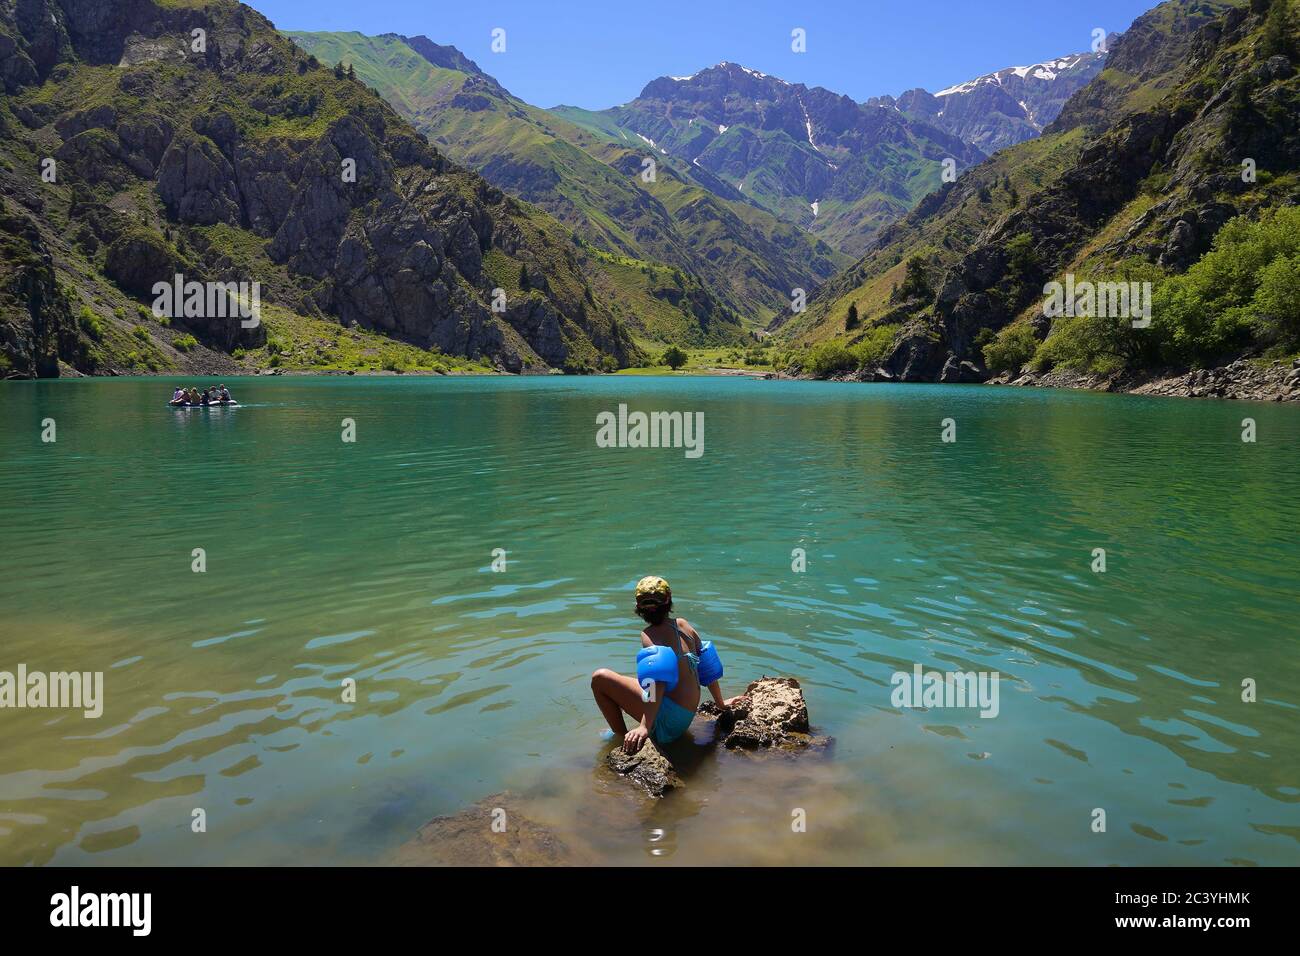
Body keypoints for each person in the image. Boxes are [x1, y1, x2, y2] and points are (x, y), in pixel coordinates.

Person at [591, 576, 734, 754]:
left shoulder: (649, 634)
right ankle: (644, 724)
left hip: (668, 726)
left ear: (638, 608)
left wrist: (644, 726)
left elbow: (655, 683)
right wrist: (720, 704)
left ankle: (619, 735)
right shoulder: (684, 626)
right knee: (631, 679)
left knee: (600, 678)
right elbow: (707, 667)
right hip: (686, 717)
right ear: (669, 601)